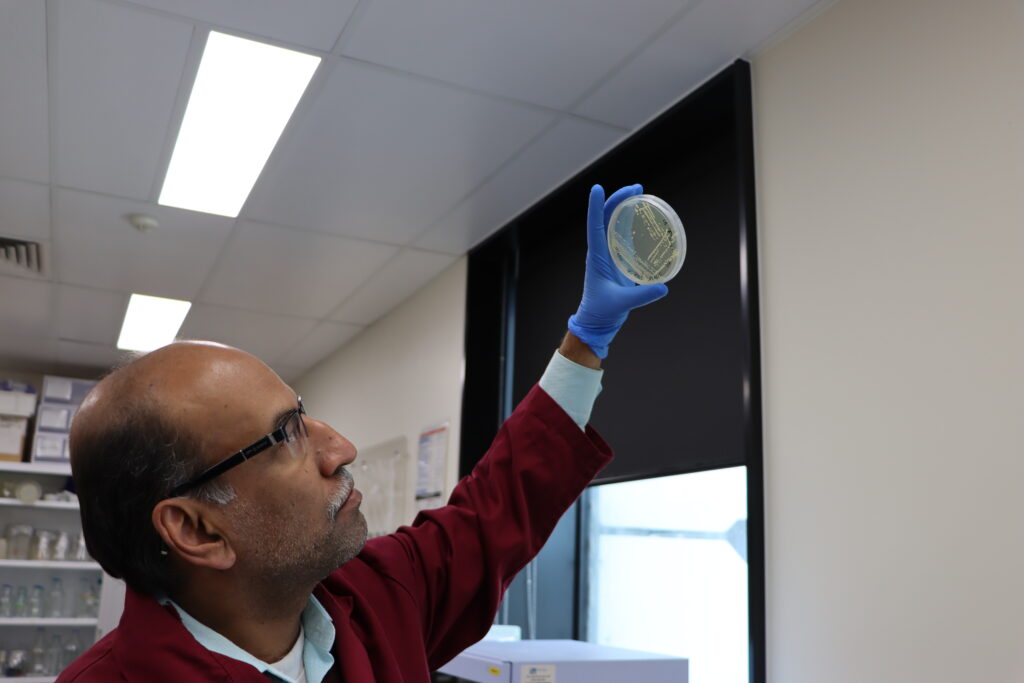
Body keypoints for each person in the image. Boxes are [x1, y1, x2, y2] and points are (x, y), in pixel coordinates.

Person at [58, 184, 669, 682]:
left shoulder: (377, 597)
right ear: (196, 529)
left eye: (303, 413)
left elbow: (495, 512)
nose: (341, 449)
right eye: (286, 435)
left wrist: (585, 340)